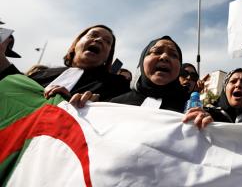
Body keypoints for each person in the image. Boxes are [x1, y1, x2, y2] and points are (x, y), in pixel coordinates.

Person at [0, 25, 130, 107]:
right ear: (76, 44)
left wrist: (93, 107)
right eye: (93, 35)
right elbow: (13, 89)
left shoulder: (117, 85)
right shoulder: (40, 74)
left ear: (108, 56)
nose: (99, 40)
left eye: (107, 41)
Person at [110, 36, 212, 129]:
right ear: (142, 62)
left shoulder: (189, 110)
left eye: (173, 55)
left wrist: (206, 125)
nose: (165, 57)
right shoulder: (112, 106)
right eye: (157, 51)